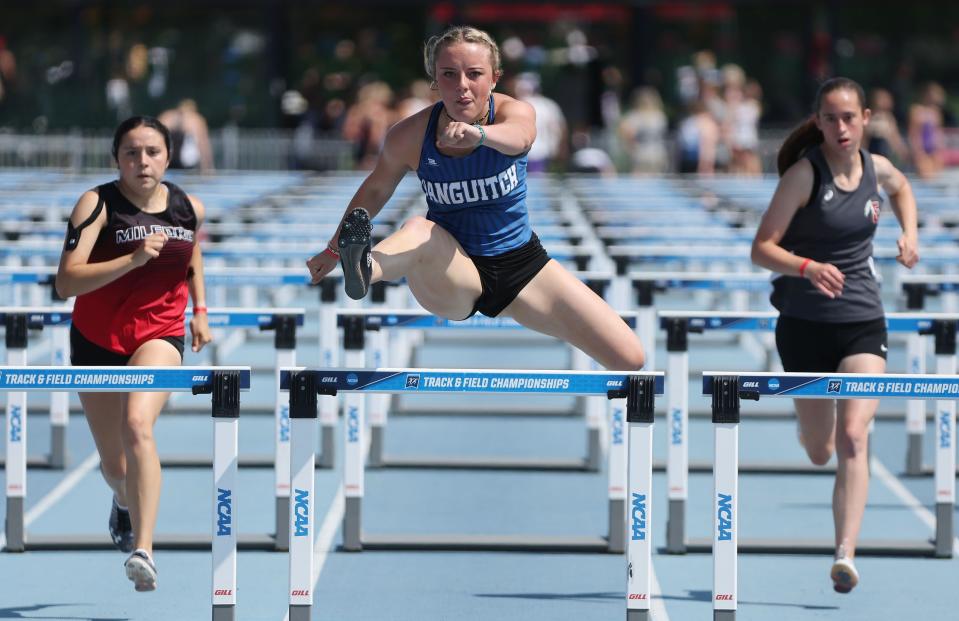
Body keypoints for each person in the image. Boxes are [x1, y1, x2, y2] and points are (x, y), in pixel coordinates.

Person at [306, 25, 644, 372]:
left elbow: (520, 138)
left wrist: (479, 135)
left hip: (522, 267)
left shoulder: (517, 112)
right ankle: (365, 268)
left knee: (630, 357)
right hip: (453, 268)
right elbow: (375, 190)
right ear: (435, 82)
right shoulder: (409, 136)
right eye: (449, 75)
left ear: (495, 79)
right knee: (419, 227)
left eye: (474, 74)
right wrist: (333, 250)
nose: (462, 85)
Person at [751, 77, 919, 594]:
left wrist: (909, 233)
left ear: (866, 118)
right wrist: (806, 267)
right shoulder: (804, 176)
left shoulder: (879, 169)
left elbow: (902, 188)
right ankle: (809, 431)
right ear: (818, 122)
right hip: (803, 327)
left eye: (849, 117)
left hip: (863, 322)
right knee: (822, 448)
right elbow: (761, 249)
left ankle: (844, 553)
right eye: (831, 118)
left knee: (853, 436)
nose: (841, 127)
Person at [55, 116, 213, 592]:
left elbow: (191, 255)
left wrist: (200, 310)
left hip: (160, 334)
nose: (142, 162)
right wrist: (132, 258)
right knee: (114, 465)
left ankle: (143, 550)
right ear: (116, 159)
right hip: (97, 339)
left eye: (152, 152)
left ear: (167, 156)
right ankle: (123, 500)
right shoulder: (97, 204)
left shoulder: (189, 207)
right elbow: (65, 283)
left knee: (137, 426)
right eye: (131, 153)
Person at [158, 99, 214, 172]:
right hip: (174, 160)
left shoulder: (195, 121)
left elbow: (203, 145)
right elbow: (204, 146)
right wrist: (208, 167)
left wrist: (207, 167)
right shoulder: (167, 118)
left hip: (179, 161)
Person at [907, 81, 946, 179]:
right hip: (921, 148)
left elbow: (938, 132)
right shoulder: (917, 110)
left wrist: (940, 148)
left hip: (934, 148)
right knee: (925, 175)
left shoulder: (936, 112)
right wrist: (917, 151)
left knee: (937, 175)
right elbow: (913, 133)